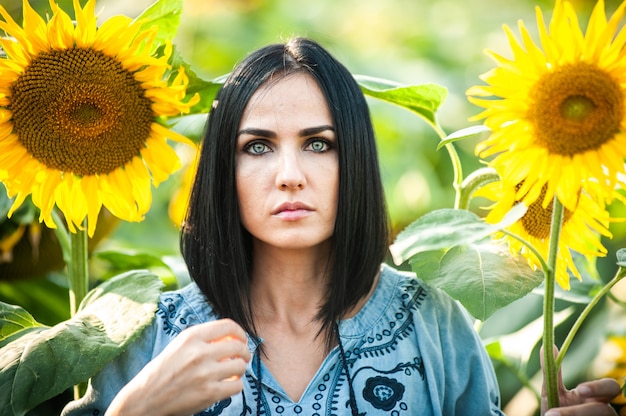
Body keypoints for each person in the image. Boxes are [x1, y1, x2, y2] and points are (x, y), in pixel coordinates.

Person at [62, 37, 620, 416]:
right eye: (257, 147)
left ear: (354, 159)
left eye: (318, 144)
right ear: (219, 172)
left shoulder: (436, 327)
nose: (289, 176)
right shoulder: (147, 340)